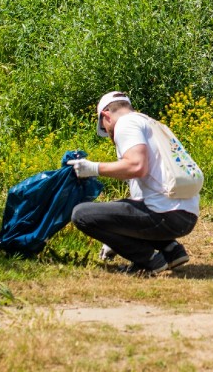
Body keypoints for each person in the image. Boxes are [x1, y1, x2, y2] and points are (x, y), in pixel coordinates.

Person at [69, 91, 199, 275]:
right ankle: (172, 251)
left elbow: (137, 166)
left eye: (106, 130)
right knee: (120, 206)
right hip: (186, 215)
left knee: (81, 214)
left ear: (106, 116)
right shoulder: (150, 123)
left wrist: (93, 168)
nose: (110, 136)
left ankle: (149, 260)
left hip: (166, 215)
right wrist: (114, 238)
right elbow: (137, 193)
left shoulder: (125, 123)